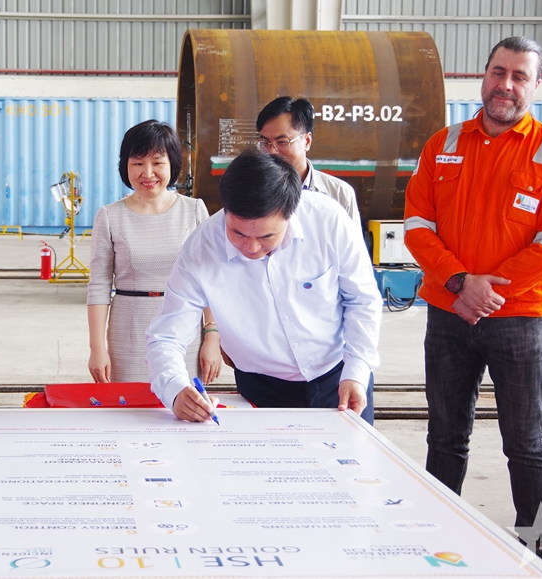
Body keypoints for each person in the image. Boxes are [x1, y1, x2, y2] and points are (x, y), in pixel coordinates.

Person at [403, 37, 542, 558]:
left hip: (520, 321)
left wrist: (484, 293)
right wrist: (461, 283)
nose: (506, 85)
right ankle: (438, 544)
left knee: (526, 445)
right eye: (498, 72)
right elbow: (417, 226)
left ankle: (539, 551)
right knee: (444, 438)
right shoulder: (442, 144)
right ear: (483, 76)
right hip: (449, 316)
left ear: (536, 85)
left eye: (519, 76)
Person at [146, 151, 382, 424]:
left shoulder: (328, 222)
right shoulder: (201, 250)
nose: (252, 247)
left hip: (340, 378)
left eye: (267, 236)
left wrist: (357, 370)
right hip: (262, 389)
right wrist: (175, 389)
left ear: (290, 213)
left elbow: (362, 299)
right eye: (238, 233)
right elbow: (166, 336)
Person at [87, 120, 221, 384]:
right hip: (128, 333)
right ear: (126, 166)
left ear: (172, 164)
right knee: (130, 404)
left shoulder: (194, 210)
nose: (147, 173)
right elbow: (99, 285)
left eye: (157, 162)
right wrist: (96, 348)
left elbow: (210, 278)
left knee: (182, 403)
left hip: (184, 329)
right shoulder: (110, 216)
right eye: (138, 163)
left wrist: (212, 337)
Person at [256, 96, 361, 223]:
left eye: (282, 142)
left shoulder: (340, 194)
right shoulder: (250, 190)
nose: (271, 151)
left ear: (306, 141)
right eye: (265, 142)